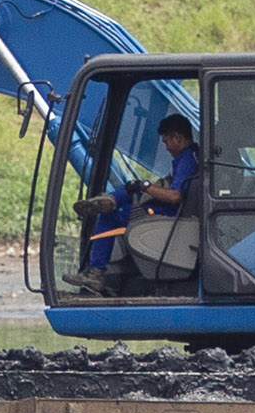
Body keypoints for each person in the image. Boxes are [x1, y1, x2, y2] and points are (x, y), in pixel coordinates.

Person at [79, 114, 202, 289]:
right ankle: (110, 199)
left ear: (177, 137)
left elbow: (176, 196)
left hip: (172, 214)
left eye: (166, 142)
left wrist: (145, 186)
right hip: (173, 210)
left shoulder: (187, 159)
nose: (166, 148)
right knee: (133, 188)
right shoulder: (193, 155)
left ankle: (96, 272)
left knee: (110, 216)